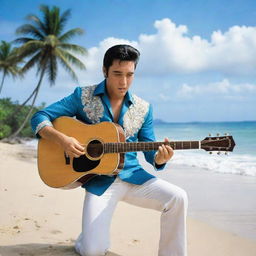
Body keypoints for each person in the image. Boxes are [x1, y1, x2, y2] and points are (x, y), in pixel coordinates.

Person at [31, 44, 188, 256]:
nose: (124, 82)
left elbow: (150, 149)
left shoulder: (144, 108)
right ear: (105, 71)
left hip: (134, 178)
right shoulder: (82, 96)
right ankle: (85, 241)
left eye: (130, 75)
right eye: (117, 74)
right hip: (99, 182)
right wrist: (62, 140)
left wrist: (160, 158)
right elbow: (39, 117)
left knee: (178, 197)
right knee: (92, 251)